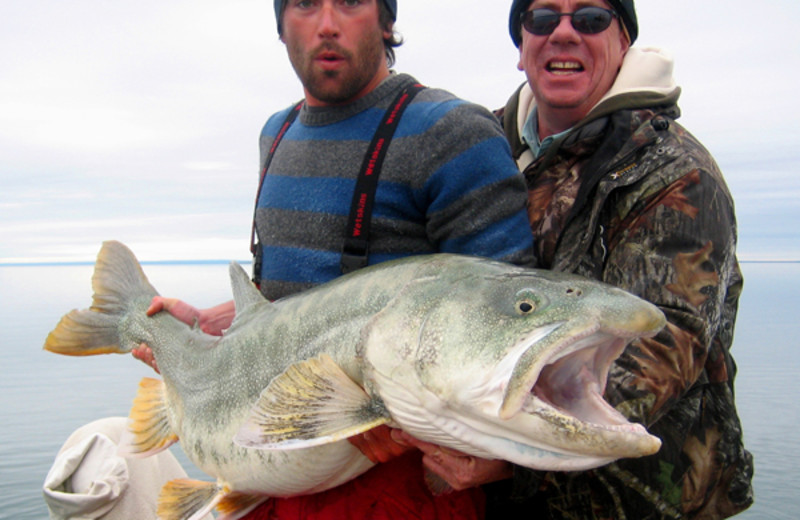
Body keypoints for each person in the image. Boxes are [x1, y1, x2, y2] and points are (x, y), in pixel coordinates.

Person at [134, 0, 535, 518]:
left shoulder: (452, 132)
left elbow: (509, 328)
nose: (326, 24)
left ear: (387, 21)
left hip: (398, 487)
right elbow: (290, 298)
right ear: (280, 25)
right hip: (271, 471)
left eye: (349, 2)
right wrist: (209, 324)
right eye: (304, 4)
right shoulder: (276, 133)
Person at [398, 1, 755, 518]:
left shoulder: (677, 174)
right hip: (498, 492)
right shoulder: (476, 149)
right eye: (542, 18)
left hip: (645, 499)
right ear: (521, 47)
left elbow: (664, 345)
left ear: (623, 42)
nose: (563, 33)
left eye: (589, 17)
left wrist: (513, 453)